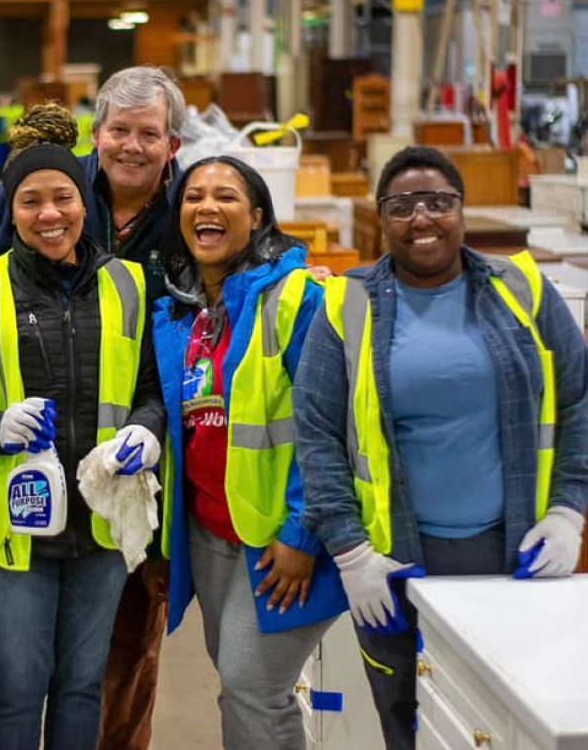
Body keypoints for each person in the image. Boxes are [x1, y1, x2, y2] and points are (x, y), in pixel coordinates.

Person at [293, 146, 588, 750]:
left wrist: (568, 512)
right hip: (395, 567)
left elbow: (579, 402)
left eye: (438, 202)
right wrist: (351, 555)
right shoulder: (346, 306)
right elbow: (317, 436)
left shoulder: (522, 290)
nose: (422, 218)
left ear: (461, 210)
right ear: (381, 218)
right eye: (402, 206)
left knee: (509, 720)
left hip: (515, 557)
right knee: (409, 720)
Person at [0, 66, 185, 750]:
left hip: (118, 505)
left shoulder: (179, 223)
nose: (132, 145)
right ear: (96, 137)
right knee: (12, 677)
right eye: (118, 130)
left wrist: (147, 428)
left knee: (113, 671)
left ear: (172, 143)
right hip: (19, 508)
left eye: (149, 133)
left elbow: (152, 382)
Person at [153, 156, 343, 749]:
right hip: (210, 531)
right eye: (193, 196)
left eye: (227, 196)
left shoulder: (297, 299)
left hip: (279, 540)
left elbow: (331, 427)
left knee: (252, 686)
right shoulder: (179, 311)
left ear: (257, 216)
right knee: (242, 682)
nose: (207, 207)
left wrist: (303, 534)